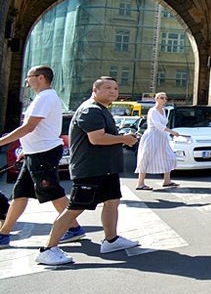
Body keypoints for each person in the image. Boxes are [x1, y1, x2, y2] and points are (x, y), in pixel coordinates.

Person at [35, 76, 140, 266]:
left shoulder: (101, 109)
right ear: (95, 89)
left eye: (115, 88)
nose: (112, 92)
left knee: (112, 201)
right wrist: (124, 139)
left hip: (105, 169)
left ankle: (111, 240)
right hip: (90, 169)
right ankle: (48, 249)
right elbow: (96, 138)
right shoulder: (90, 109)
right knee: (75, 208)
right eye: (107, 88)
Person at [0, 66, 84, 247]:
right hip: (35, 153)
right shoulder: (42, 98)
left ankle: (74, 228)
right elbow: (35, 130)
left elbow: (29, 127)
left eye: (29, 77)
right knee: (20, 194)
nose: (27, 81)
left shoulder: (46, 97)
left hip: (43, 154)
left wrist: (2, 141)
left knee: (53, 192)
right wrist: (25, 149)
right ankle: (4, 233)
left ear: (41, 78)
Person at [134, 92, 184, 190]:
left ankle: (167, 181)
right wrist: (172, 132)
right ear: (156, 99)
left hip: (162, 136)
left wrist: (169, 133)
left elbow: (163, 125)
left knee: (169, 156)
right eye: (161, 98)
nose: (164, 100)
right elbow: (158, 125)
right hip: (152, 135)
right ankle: (140, 183)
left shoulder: (163, 110)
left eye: (165, 98)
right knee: (146, 157)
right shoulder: (152, 111)